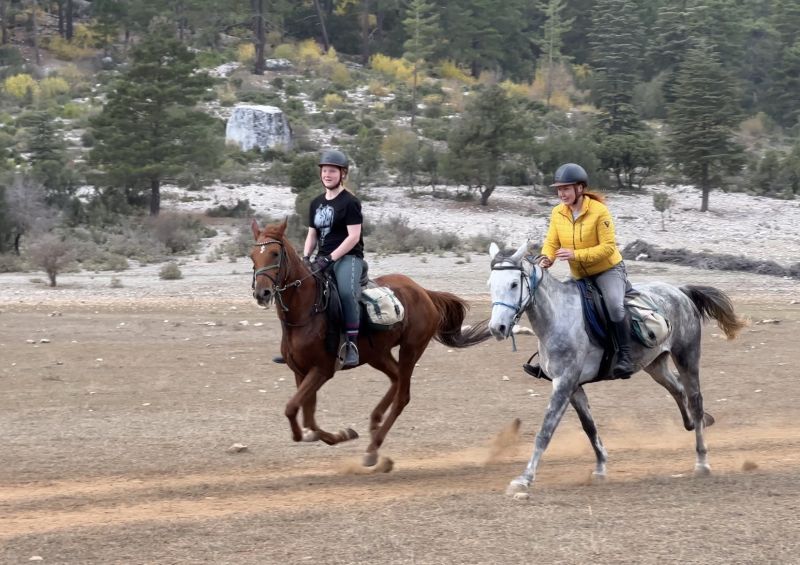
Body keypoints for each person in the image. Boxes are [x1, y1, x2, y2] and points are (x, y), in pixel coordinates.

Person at [526, 163, 634, 380]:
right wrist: (547, 258)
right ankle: (548, 360)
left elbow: (608, 248)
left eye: (566, 188)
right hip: (580, 274)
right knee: (558, 307)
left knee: (614, 307)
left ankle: (626, 356)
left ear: (580, 188)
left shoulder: (599, 211)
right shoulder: (558, 212)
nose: (561, 193)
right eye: (559, 189)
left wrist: (576, 255)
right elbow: (551, 242)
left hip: (608, 270)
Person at [302, 149, 365, 367]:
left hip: (349, 257)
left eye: (332, 171)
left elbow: (354, 237)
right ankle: (296, 344)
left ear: (343, 174)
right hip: (321, 257)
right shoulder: (315, 203)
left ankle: (352, 344)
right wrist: (305, 256)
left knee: (347, 292)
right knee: (298, 290)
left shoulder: (350, 202)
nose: (327, 174)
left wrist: (330, 258)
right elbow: (312, 234)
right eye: (324, 170)